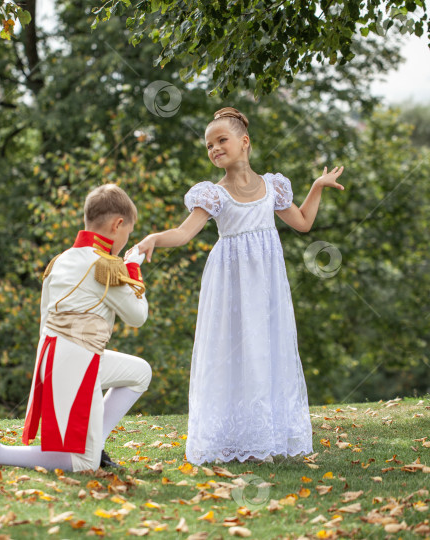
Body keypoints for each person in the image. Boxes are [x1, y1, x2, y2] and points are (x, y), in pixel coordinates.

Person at [129, 107, 344, 464]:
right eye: (209, 145)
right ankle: (230, 437)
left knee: (265, 348)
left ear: (244, 142)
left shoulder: (272, 187)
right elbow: (183, 234)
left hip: (267, 284)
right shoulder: (213, 194)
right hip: (229, 284)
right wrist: (154, 237)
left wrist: (317, 187)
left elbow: (304, 222)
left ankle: (265, 434)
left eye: (221, 140)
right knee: (231, 350)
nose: (214, 149)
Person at [0, 184, 151, 472]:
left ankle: (95, 447)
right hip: (76, 360)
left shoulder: (59, 261)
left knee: (140, 373)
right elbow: (138, 317)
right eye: (128, 233)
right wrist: (133, 268)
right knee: (83, 465)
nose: (126, 239)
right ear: (117, 224)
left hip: (53, 356)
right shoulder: (107, 266)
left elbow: (45, 317)